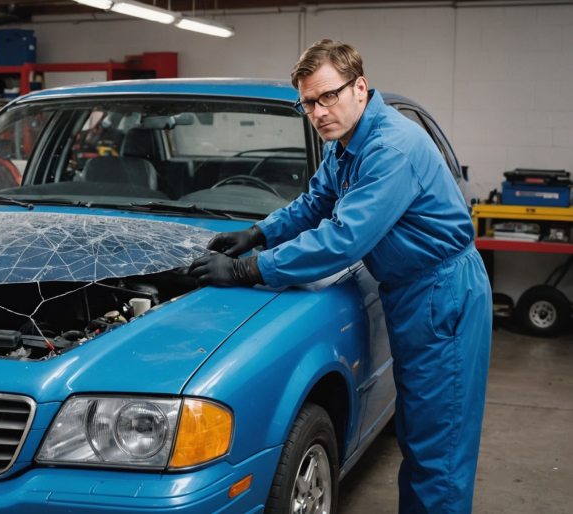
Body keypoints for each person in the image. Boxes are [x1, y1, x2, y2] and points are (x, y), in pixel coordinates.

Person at [188, 39, 491, 513]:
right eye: (308, 102)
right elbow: (315, 203)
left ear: (360, 88)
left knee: (440, 450)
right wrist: (259, 232)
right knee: (418, 436)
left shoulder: (390, 148)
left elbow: (343, 239)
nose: (319, 111)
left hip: (441, 294)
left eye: (328, 96)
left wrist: (249, 269)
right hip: (410, 292)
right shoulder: (346, 144)